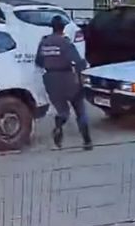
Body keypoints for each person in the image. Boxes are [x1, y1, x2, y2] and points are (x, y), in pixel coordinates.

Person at [35, 15, 92, 149]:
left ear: (52, 27)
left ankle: (59, 125)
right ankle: (87, 142)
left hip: (50, 80)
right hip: (67, 79)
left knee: (63, 111)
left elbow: (39, 62)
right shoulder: (65, 42)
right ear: (63, 28)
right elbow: (78, 62)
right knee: (80, 109)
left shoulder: (44, 42)